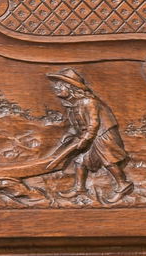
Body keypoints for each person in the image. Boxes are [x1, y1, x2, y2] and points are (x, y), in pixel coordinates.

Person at [47, 67, 132, 202]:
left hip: (103, 135)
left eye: (60, 85)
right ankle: (80, 188)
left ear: (71, 88)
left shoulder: (89, 102)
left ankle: (123, 185)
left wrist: (86, 139)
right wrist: (68, 136)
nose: (56, 88)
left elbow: (94, 123)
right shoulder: (73, 105)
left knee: (109, 161)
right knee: (80, 161)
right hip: (92, 136)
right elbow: (78, 125)